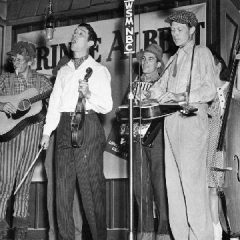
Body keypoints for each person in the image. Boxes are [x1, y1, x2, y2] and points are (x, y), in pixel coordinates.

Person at [137, 10, 217, 240]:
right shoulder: (173, 59)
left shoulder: (201, 53)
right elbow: (159, 88)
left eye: (179, 29)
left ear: (192, 30)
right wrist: (147, 95)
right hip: (171, 123)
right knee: (174, 188)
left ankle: (202, 237)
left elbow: (210, 90)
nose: (174, 34)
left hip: (192, 122)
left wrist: (181, 96)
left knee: (193, 187)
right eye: (172, 30)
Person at [40, 22, 113, 240]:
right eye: (74, 33)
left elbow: (107, 106)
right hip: (63, 127)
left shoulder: (99, 70)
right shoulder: (64, 70)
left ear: (90, 43)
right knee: (62, 194)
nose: (75, 36)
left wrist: (89, 93)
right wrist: (47, 132)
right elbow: (54, 104)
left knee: (91, 192)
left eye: (80, 34)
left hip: (87, 126)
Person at [0, 41, 52, 240]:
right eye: (13, 59)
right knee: (5, 181)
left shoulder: (41, 81)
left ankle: (20, 226)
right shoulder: (5, 78)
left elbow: (55, 100)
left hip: (33, 135)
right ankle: (1, 226)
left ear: (30, 61)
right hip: (9, 135)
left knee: (24, 181)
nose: (14, 62)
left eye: (19, 59)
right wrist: (3, 104)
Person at [130, 43, 171, 240]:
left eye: (151, 59)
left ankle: (164, 232)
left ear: (159, 64)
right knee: (140, 187)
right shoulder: (134, 84)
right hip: (137, 139)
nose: (145, 62)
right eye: (143, 58)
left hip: (157, 137)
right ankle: (145, 233)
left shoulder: (165, 83)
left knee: (160, 186)